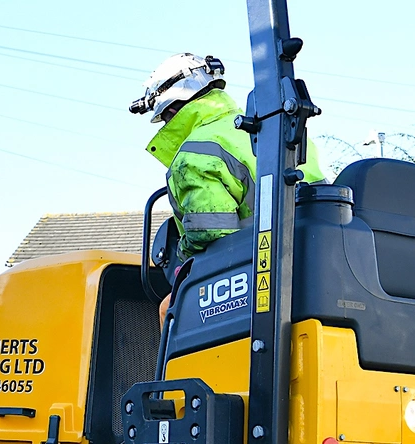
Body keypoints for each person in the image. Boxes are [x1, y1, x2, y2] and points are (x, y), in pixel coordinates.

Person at [130, 53, 326, 322]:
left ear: (173, 110)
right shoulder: (278, 128)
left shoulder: (194, 155)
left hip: (256, 274)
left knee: (168, 309)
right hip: (315, 263)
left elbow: (211, 233)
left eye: (164, 118)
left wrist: (182, 253)